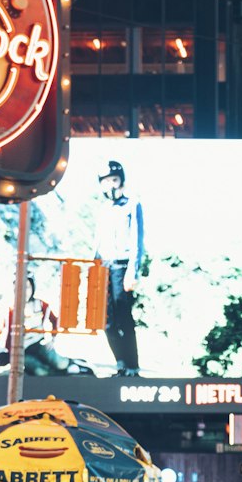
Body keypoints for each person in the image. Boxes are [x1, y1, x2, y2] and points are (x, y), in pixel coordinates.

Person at [94, 158, 144, 377]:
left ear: (121, 181)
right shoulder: (102, 209)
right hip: (102, 267)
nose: (111, 185)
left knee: (124, 318)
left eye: (114, 180)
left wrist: (132, 271)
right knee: (106, 321)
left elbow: (137, 241)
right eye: (106, 181)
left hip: (122, 267)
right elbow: (96, 242)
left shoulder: (132, 205)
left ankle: (133, 366)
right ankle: (120, 364)